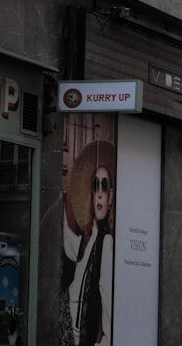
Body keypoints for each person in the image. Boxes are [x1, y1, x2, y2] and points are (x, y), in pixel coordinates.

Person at [60, 139, 116, 346]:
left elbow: (108, 303)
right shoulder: (87, 237)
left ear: (110, 197)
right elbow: (70, 248)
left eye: (104, 185)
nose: (99, 192)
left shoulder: (107, 243)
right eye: (95, 185)